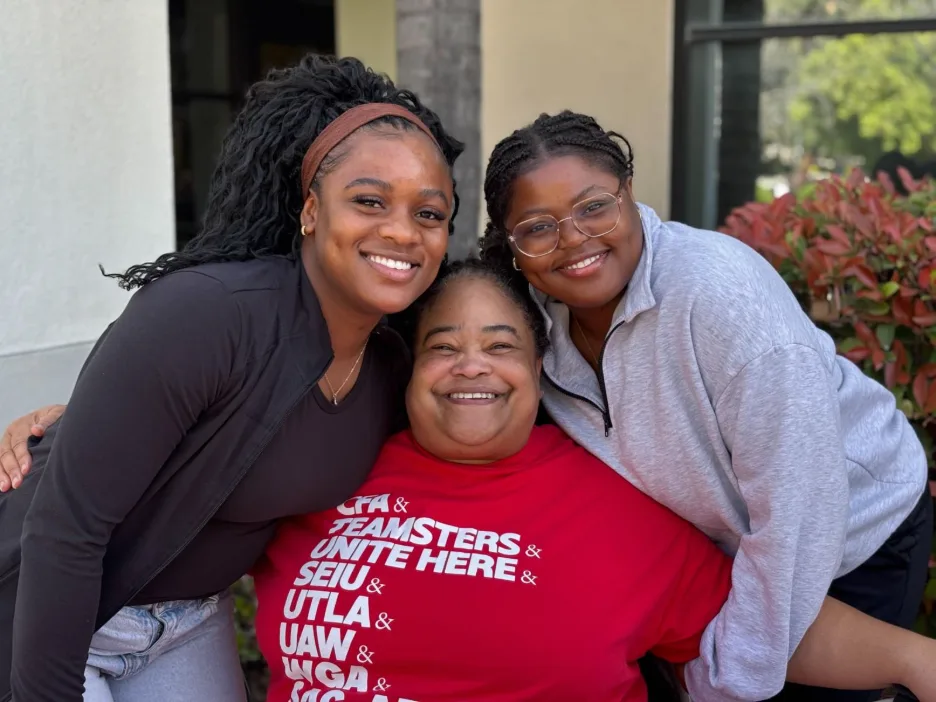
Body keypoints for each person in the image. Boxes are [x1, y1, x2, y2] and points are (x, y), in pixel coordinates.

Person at [251, 258, 936, 701]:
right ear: (410, 366)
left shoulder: (614, 502)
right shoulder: (331, 471)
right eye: (444, 347)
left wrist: (911, 659)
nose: (472, 367)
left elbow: (751, 623)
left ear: (538, 364)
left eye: (500, 345)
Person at [0, 54, 461, 702]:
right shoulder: (208, 314)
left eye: (429, 214)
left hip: (190, 623)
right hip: (46, 614)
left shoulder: (391, 367)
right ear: (309, 210)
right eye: (369, 200)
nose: (400, 231)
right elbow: (64, 530)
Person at [477, 111, 933, 702]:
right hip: (728, 554)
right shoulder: (530, 323)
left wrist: (725, 682)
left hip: (850, 532)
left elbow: (798, 511)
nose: (573, 240)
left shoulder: (721, 298)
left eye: (594, 207)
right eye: (538, 227)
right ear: (511, 245)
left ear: (630, 193)